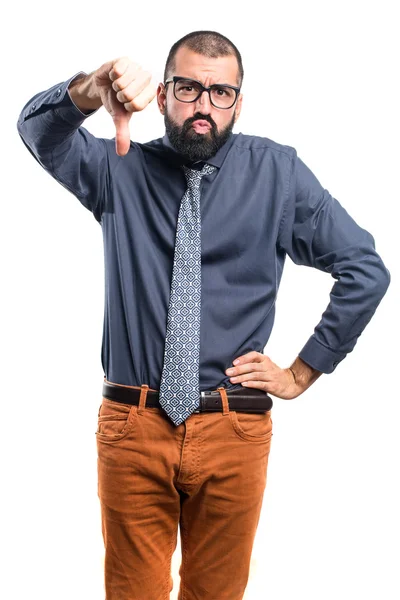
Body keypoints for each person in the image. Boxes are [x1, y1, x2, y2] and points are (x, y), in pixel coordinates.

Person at [17, 29, 390, 600]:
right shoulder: (119, 166)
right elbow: (37, 131)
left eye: (220, 94)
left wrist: (301, 371)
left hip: (234, 428)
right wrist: (92, 88)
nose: (203, 107)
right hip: (134, 425)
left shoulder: (278, 174)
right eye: (189, 89)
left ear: (238, 102)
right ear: (163, 95)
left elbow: (365, 270)